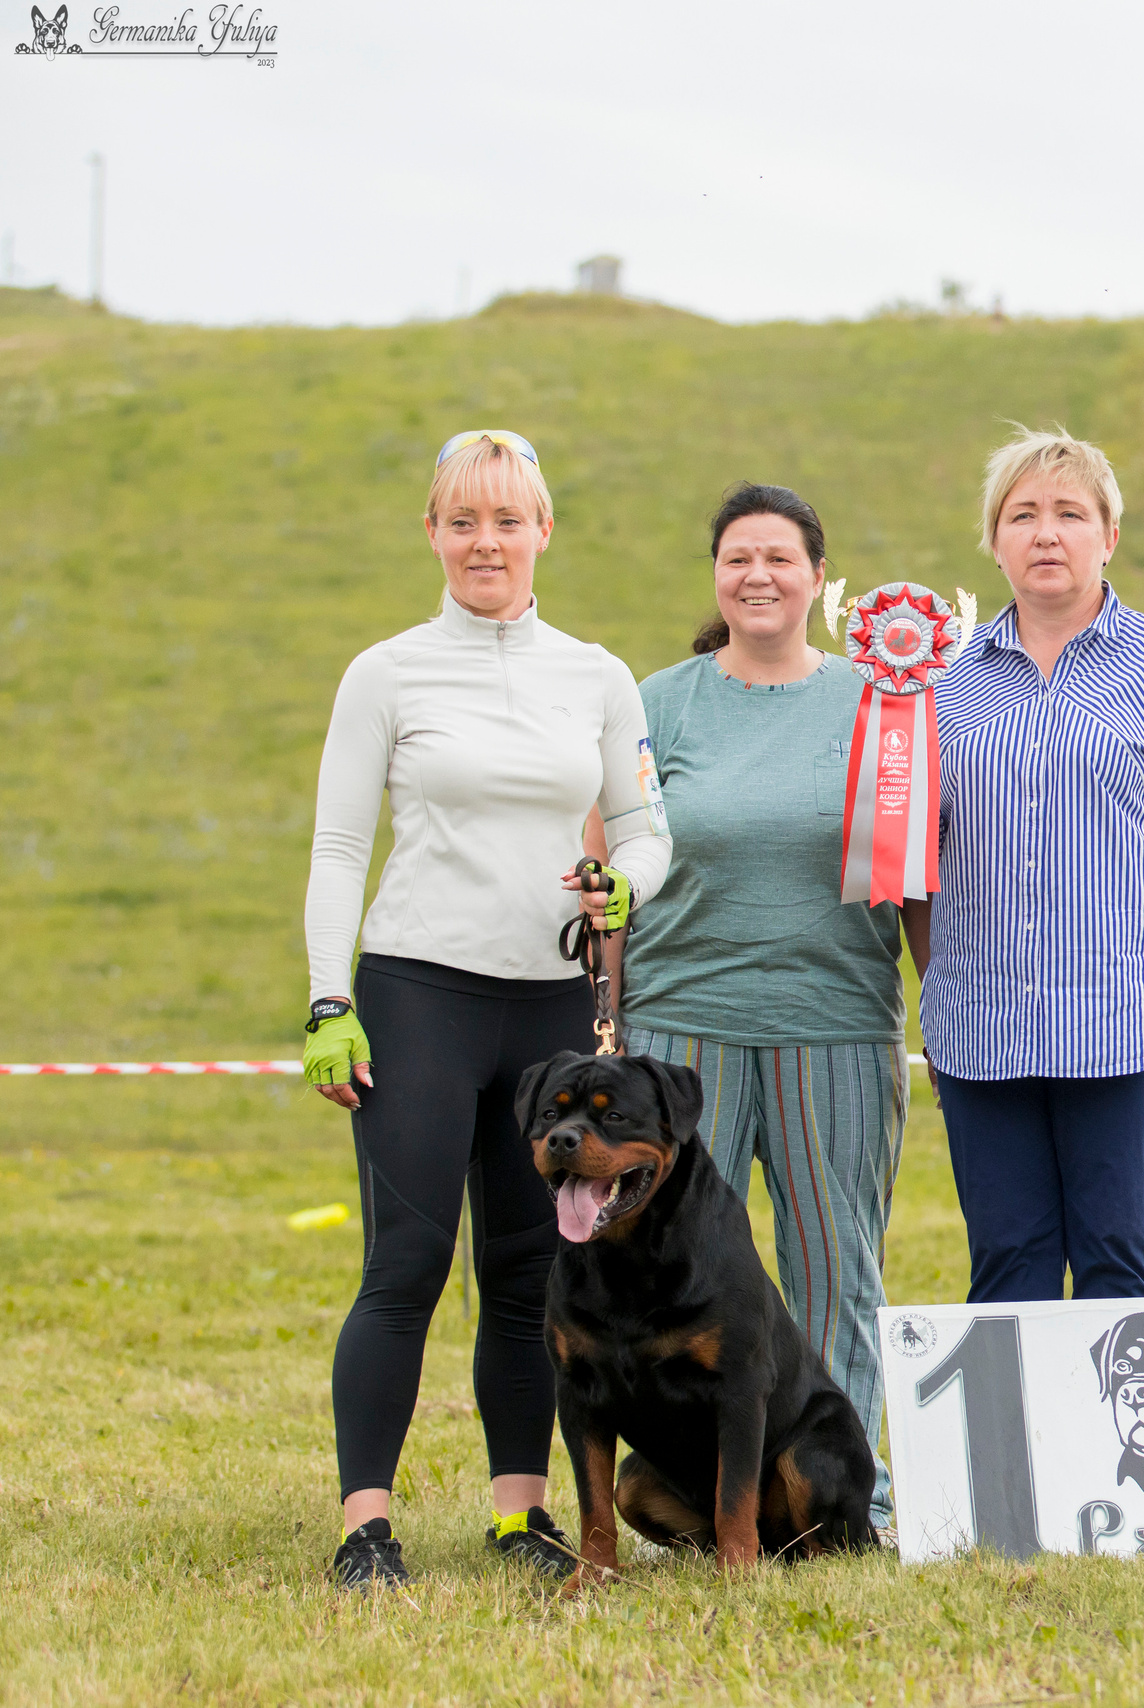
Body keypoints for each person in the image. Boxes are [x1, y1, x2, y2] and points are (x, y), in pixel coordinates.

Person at [301, 430, 671, 1590]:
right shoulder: (388, 671)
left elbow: (646, 828)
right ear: (432, 534)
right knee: (405, 1263)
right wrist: (327, 997)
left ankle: (521, 1515)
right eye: (462, 521)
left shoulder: (597, 674)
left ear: (542, 532)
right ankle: (368, 1526)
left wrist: (627, 885)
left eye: (506, 521)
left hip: (552, 1007)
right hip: (416, 993)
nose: (484, 542)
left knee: (530, 1273)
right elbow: (339, 844)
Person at [618, 483, 912, 1537]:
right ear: (715, 575)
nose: (758, 574)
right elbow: (610, 863)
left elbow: (918, 867)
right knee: (663, 1283)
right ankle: (697, 1499)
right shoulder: (659, 703)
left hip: (834, 1020)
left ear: (819, 578)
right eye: (737, 556)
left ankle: (847, 1506)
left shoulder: (884, 701)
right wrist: (604, 1026)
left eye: (780, 558)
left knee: (837, 1271)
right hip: (678, 1028)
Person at [914, 426, 1144, 1302]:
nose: (1045, 533)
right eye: (1022, 515)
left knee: (1118, 1259)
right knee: (1006, 1264)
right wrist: (941, 974)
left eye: (1070, 513)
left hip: (1124, 1024)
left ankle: (1127, 1442)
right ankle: (1009, 1448)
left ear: (1109, 535)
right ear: (993, 542)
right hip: (979, 1028)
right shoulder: (940, 677)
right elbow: (909, 856)